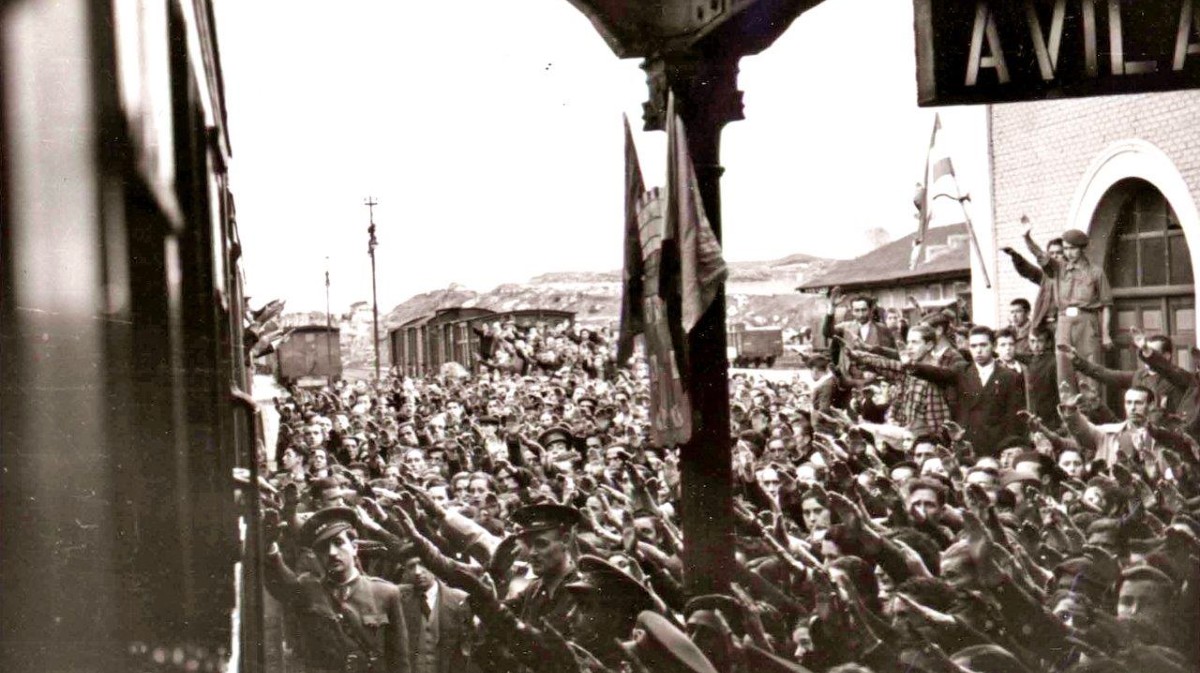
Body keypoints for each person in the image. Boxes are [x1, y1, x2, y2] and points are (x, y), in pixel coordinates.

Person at [263, 507, 411, 673]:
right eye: (323, 547)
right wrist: (270, 549)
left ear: (354, 547)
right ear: (317, 555)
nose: (332, 552)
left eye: (339, 543)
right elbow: (280, 583)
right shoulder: (307, 589)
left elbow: (399, 661)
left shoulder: (385, 593)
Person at [905, 326, 1026, 457]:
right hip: (966, 444)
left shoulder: (1009, 376)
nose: (978, 350)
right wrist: (912, 366)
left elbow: (1013, 417)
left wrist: (1008, 446)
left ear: (993, 346)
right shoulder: (962, 370)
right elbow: (938, 373)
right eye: (973, 346)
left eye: (983, 345)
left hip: (996, 445)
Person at [1024, 225, 1113, 392]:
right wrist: (1027, 238)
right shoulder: (1058, 269)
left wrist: (1106, 334)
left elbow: (1106, 305)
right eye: (1065, 249)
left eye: (1072, 248)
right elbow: (1039, 255)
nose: (1068, 253)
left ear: (1081, 249)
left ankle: (1093, 411)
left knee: (1090, 368)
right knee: (1064, 369)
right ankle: (1070, 413)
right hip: (1064, 322)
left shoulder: (1096, 273)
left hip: (1087, 322)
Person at [399, 556, 474, 673]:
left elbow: (467, 647)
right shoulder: (399, 598)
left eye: (423, 565)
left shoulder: (459, 599)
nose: (418, 572)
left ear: (434, 566)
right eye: (411, 566)